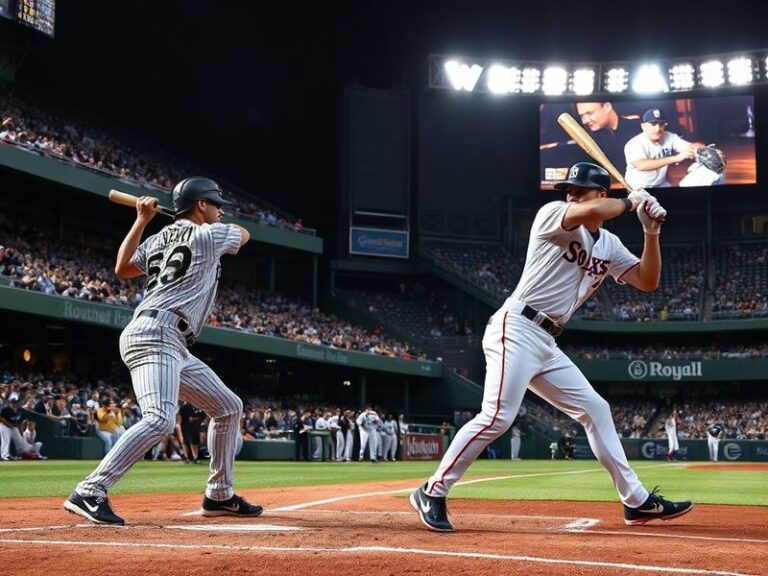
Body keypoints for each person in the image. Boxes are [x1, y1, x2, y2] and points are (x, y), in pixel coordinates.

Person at [409, 162, 692, 532]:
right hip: (517, 326)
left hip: (546, 340)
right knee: (497, 416)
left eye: (580, 189)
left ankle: (636, 502)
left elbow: (648, 280)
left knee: (596, 409)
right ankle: (433, 490)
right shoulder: (553, 214)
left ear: (601, 191)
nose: (571, 194)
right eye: (570, 189)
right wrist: (630, 200)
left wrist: (650, 232)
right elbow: (592, 211)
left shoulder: (608, 244)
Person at [63, 177, 261, 525]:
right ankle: (90, 490)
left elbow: (122, 268)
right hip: (157, 333)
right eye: (215, 205)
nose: (220, 212)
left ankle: (218, 496)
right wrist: (213, 226)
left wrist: (141, 219)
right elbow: (243, 235)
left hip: (172, 340)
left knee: (229, 407)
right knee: (159, 418)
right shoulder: (208, 234)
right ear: (201, 205)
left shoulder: (157, 238)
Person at [623, 108, 703, 189]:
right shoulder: (634, 143)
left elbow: (691, 146)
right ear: (643, 126)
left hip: (661, 184)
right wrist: (676, 158)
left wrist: (702, 149)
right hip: (637, 188)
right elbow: (642, 165)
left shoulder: (669, 136)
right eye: (653, 124)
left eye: (661, 124)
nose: (658, 129)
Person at [575, 101, 640, 176]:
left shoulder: (637, 129)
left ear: (607, 107)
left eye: (590, 113)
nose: (585, 121)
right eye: (582, 116)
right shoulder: (590, 140)